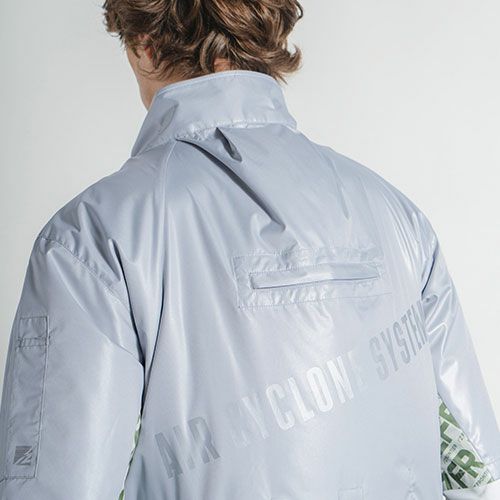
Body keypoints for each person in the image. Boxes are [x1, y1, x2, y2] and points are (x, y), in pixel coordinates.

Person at [0, 1, 499, 499]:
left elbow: (56, 488)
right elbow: (476, 474)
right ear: (269, 33)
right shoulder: (399, 218)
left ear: (142, 46)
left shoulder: (90, 239)